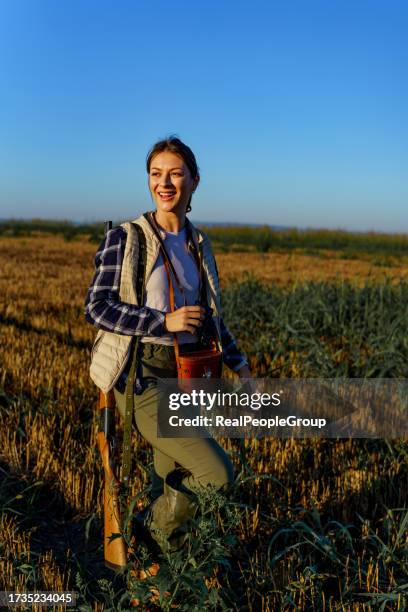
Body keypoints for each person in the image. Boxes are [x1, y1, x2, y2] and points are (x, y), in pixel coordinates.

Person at [84, 136, 252, 558]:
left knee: (169, 474)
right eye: (156, 174)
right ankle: (144, 535)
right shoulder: (128, 238)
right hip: (144, 375)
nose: (165, 183)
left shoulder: (199, 243)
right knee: (216, 473)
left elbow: (209, 315)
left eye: (176, 174)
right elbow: (97, 307)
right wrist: (162, 321)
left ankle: (167, 572)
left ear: (194, 180)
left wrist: (239, 363)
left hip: (187, 375)